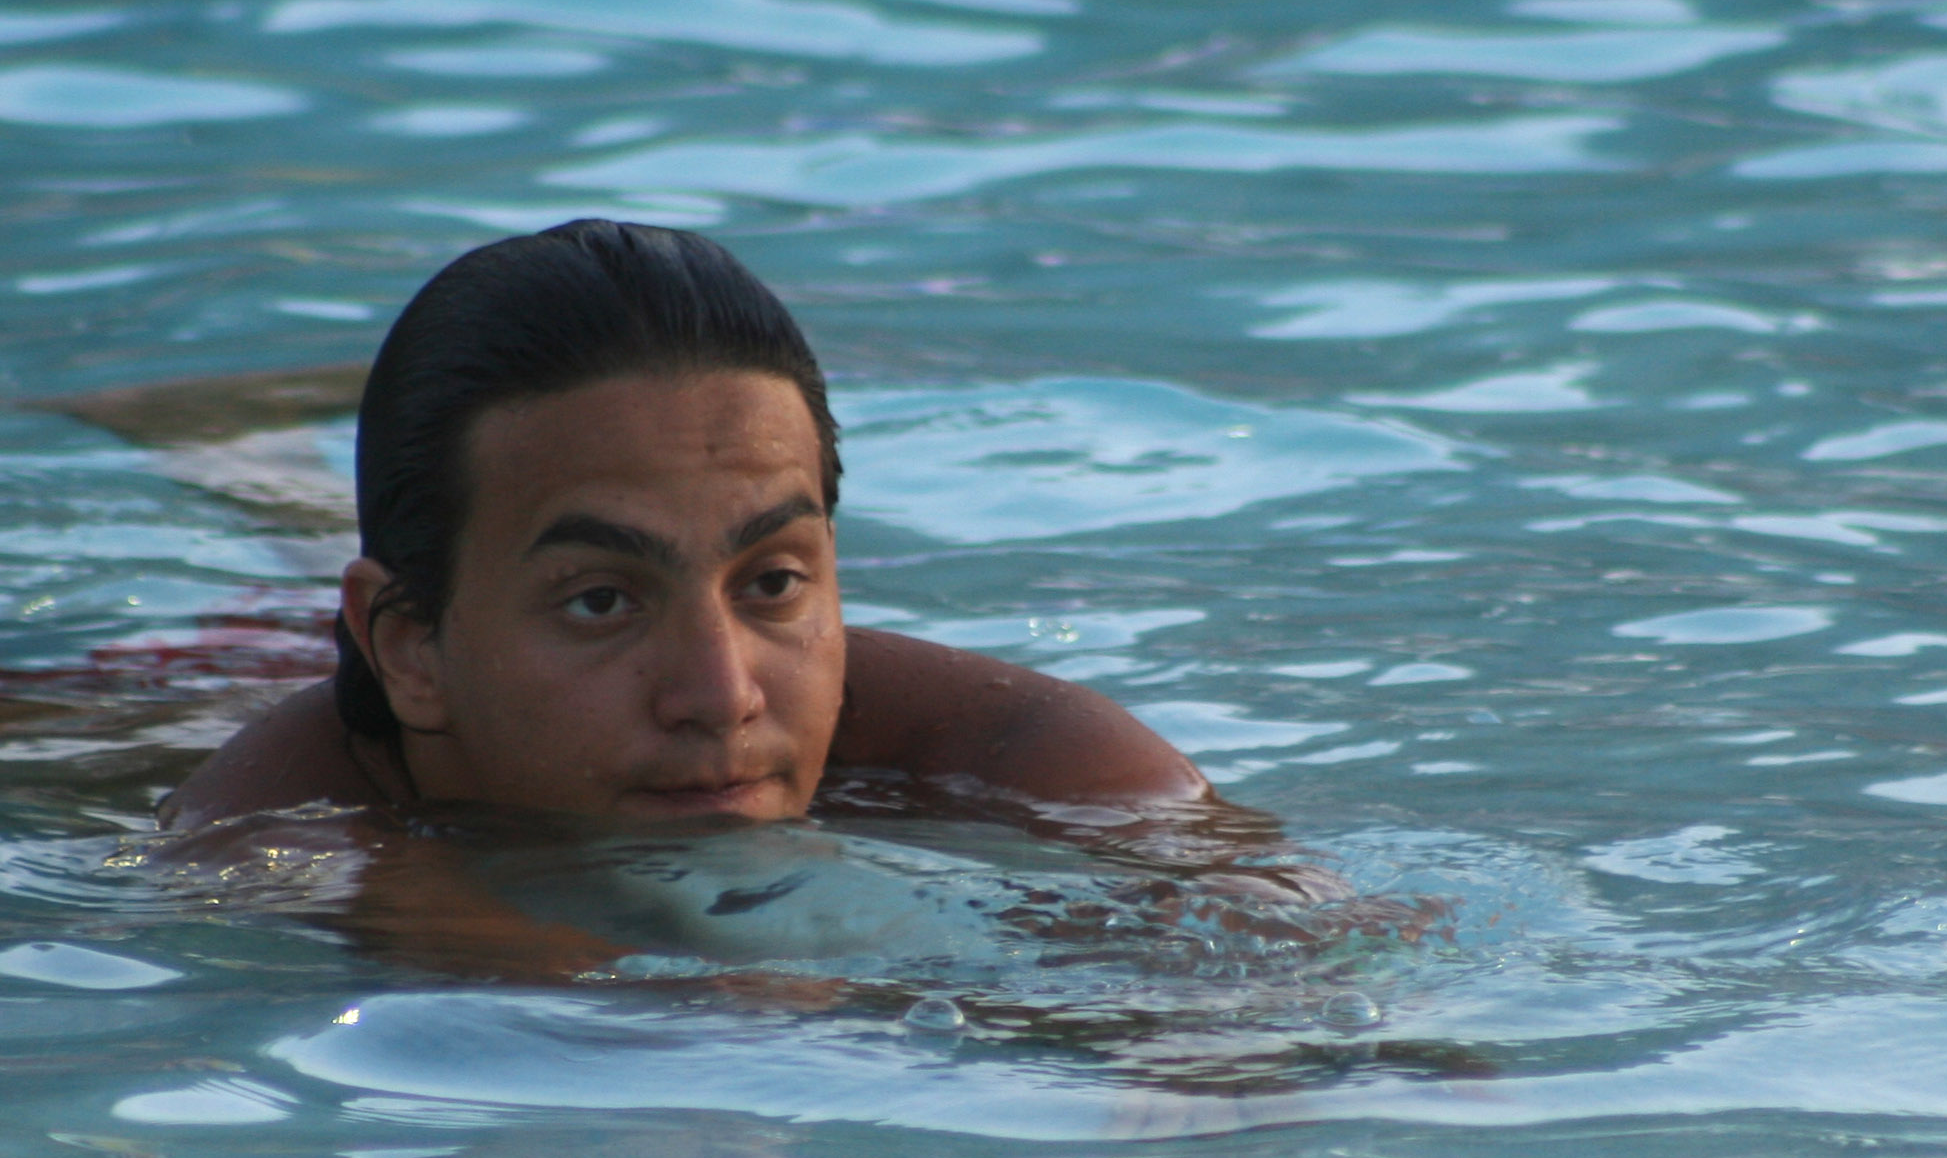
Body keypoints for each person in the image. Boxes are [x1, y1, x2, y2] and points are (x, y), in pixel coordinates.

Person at [161, 219, 1208, 833]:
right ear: (407, 647)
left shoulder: (989, 747)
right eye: (602, 602)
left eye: (773, 581)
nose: (721, 696)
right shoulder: (274, 853)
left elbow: (1307, 976)